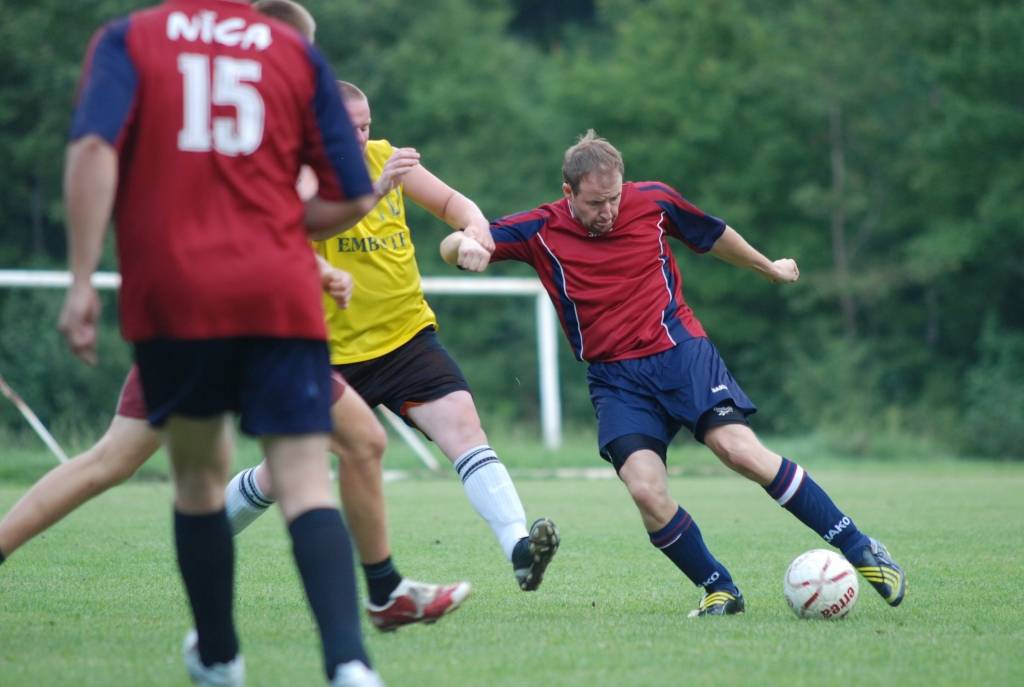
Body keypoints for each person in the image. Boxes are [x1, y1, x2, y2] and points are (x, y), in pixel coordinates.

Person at [0, 0, 469, 642]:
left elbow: (220, 209)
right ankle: (353, 624)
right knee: (307, 462)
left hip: (191, 306)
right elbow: (276, 214)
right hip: (259, 315)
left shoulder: (152, 57)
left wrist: (83, 278)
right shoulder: (276, 106)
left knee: (132, 459)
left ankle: (374, 596)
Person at [440, 130, 907, 616]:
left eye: (614, 198)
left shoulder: (655, 202)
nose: (608, 211)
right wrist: (462, 248)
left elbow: (714, 235)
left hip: (679, 352)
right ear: (568, 193)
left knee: (739, 451)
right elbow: (457, 242)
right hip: (615, 380)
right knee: (645, 489)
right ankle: (719, 589)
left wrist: (766, 267)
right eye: (596, 202)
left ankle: (861, 548)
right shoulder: (540, 228)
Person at [57, 1, 382, 685]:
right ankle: (349, 664)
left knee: (200, 479)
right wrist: (266, 224)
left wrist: (82, 276)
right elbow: (353, 195)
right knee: (303, 479)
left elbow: (92, 149)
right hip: (278, 291)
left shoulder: (130, 39)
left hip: (177, 292)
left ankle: (219, 655)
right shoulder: (294, 52)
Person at [225, 80, 560, 595]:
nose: (361, 138)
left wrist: (476, 232)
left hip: (406, 335)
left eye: (366, 126)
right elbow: (301, 230)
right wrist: (377, 188)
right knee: (282, 472)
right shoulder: (301, 173)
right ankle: (206, 537)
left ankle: (518, 546)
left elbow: (453, 202)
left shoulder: (385, 158)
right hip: (329, 353)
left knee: (465, 429)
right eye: (349, 128)